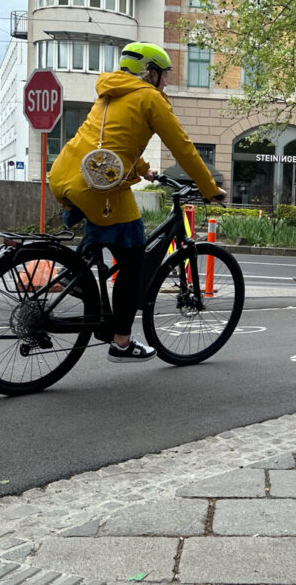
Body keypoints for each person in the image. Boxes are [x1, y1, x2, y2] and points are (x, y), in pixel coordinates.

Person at [49, 42, 226, 363]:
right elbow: (183, 148)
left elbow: (116, 140)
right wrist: (209, 187)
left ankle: (76, 278)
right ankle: (121, 342)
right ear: (152, 73)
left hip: (69, 174)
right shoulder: (150, 98)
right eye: (165, 75)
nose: (167, 82)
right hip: (100, 188)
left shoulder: (111, 91)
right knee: (134, 265)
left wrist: (146, 171)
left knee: (107, 233)